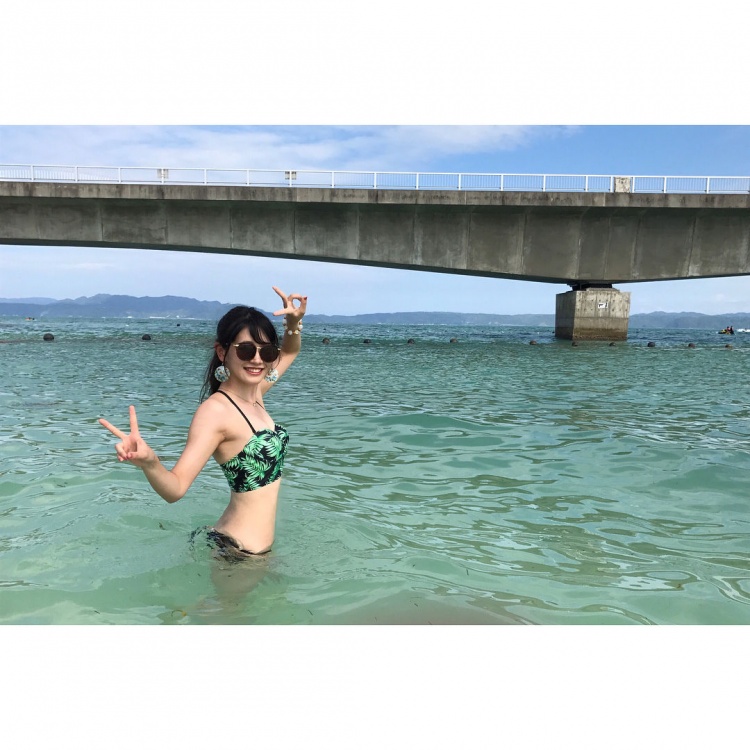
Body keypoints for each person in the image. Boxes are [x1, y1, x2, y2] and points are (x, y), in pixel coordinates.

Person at [99, 286, 307, 560]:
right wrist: (150, 462)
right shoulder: (215, 412)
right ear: (222, 352)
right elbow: (176, 489)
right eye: (245, 350)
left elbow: (290, 352)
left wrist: (293, 324)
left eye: (266, 352)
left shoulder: (255, 393)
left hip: (255, 551)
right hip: (237, 553)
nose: (257, 360)